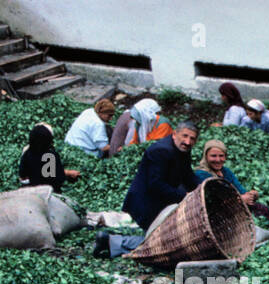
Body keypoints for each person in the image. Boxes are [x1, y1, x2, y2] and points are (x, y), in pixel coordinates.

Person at [95, 120, 200, 258]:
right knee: (161, 241)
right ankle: (111, 241)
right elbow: (155, 184)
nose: (187, 141)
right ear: (175, 134)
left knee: (163, 238)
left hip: (160, 200)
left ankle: (111, 241)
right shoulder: (161, 151)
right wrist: (184, 195)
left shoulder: (182, 150)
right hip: (146, 203)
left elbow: (187, 175)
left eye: (192, 138)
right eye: (185, 136)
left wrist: (201, 188)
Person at [18, 124, 81, 191]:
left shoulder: (27, 154)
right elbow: (59, 178)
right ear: (49, 141)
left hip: (33, 190)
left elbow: (23, 176)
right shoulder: (51, 156)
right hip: (50, 191)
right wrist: (68, 173)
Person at [107, 98, 173, 156]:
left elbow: (154, 146)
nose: (136, 122)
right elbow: (134, 141)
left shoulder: (163, 124)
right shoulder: (139, 124)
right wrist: (126, 148)